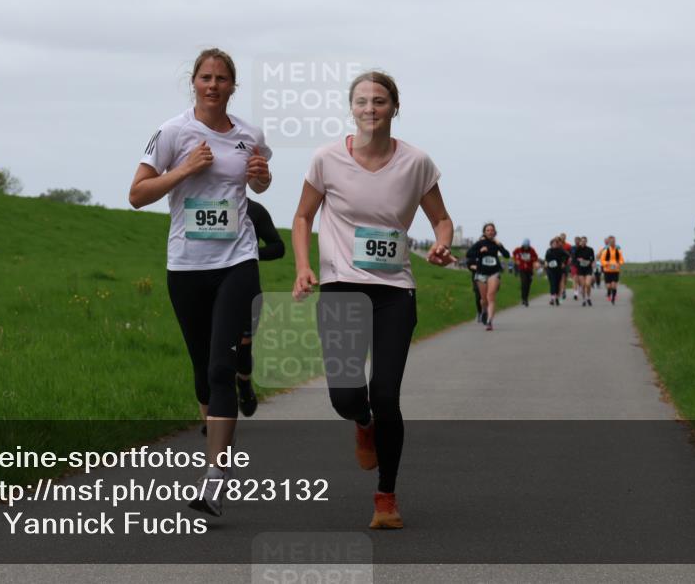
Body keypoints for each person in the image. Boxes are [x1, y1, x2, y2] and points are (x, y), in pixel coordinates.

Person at [291, 71, 454, 529]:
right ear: (351, 108)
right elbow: (303, 217)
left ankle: (386, 496)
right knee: (346, 396)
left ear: (393, 108)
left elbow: (441, 219)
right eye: (361, 101)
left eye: (379, 101)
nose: (370, 109)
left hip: (394, 293)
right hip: (341, 286)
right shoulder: (326, 159)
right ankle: (361, 423)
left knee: (387, 394)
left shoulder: (417, 162)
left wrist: (441, 243)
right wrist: (304, 267)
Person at [128, 48, 273, 517]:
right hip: (187, 265)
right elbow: (136, 195)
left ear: (233, 86)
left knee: (219, 368)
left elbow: (260, 184)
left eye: (222, 78)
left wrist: (262, 176)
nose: (213, 85)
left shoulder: (250, 135)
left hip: (238, 259)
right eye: (206, 77)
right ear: (193, 82)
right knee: (201, 375)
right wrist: (185, 169)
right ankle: (219, 446)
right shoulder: (172, 132)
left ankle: (214, 479)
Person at [235, 199, 285, 416]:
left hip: (246, 287)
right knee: (213, 351)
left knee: (242, 345)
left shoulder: (254, 210)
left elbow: (278, 247)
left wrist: (250, 252)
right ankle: (218, 411)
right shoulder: (200, 205)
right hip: (208, 285)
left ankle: (244, 381)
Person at [466, 223, 510, 331]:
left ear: (495, 232)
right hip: (481, 273)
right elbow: (469, 254)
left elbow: (507, 255)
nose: (490, 232)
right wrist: (479, 251)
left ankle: (490, 321)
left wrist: (500, 245)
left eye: (492, 230)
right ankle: (484, 311)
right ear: (484, 232)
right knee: (483, 299)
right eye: (488, 230)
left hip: (494, 272)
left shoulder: (496, 243)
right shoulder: (480, 243)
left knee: (491, 296)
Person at [599, 235, 625, 304]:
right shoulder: (606, 251)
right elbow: (602, 260)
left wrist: (618, 263)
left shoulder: (618, 251)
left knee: (614, 285)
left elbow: (622, 260)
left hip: (615, 270)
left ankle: (613, 298)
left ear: (615, 242)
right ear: (609, 243)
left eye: (614, 242)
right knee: (608, 286)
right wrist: (607, 263)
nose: (613, 243)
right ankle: (609, 292)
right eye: (611, 242)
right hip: (607, 270)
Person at [543, 237, 570, 305]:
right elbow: (546, 258)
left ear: (557, 244)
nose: (554, 245)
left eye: (555, 243)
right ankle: (552, 298)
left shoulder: (560, 250)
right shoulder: (548, 251)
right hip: (550, 269)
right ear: (551, 244)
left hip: (558, 269)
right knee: (552, 283)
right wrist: (546, 262)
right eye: (553, 243)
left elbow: (567, 256)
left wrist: (564, 263)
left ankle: (557, 298)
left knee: (557, 284)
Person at [571, 235, 596, 306]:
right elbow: (574, 259)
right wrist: (578, 260)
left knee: (588, 284)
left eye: (585, 241)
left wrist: (592, 263)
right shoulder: (577, 250)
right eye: (582, 241)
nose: (583, 242)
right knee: (583, 285)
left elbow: (593, 259)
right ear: (580, 242)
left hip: (588, 269)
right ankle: (584, 299)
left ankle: (588, 298)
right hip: (580, 269)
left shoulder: (590, 249)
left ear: (586, 242)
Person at [512, 239, 539, 307]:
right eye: (524, 246)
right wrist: (516, 259)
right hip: (522, 269)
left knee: (528, 284)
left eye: (527, 246)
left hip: (529, 269)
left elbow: (535, 257)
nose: (526, 247)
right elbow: (514, 253)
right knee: (524, 283)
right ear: (523, 245)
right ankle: (524, 299)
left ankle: (526, 298)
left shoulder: (532, 250)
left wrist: (531, 259)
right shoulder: (518, 249)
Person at [467, 236, 486, 323]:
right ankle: (479, 312)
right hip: (477, 277)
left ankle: (485, 312)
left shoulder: (489, 252)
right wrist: (476, 267)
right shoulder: (474, 253)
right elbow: (470, 264)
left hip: (487, 277)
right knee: (478, 297)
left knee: (485, 297)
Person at [558, 232, 572, 300]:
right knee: (560, 278)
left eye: (564, 237)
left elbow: (570, 254)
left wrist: (570, 259)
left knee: (564, 278)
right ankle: (562, 291)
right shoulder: (557, 245)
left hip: (566, 264)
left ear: (565, 238)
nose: (562, 238)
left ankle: (563, 290)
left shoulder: (568, 245)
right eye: (561, 237)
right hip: (558, 264)